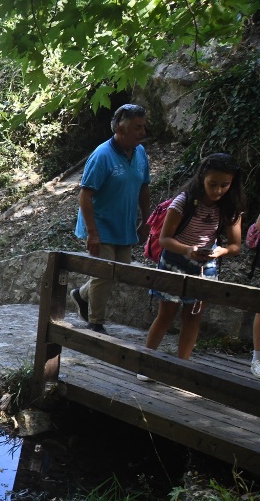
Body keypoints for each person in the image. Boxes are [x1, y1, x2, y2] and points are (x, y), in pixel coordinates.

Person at [138, 153, 244, 378]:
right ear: (202, 179)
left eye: (224, 185)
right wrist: (187, 250)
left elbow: (235, 246)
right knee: (166, 313)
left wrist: (220, 251)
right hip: (175, 258)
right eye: (212, 184)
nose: (217, 191)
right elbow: (165, 238)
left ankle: (182, 366)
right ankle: (147, 363)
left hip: (206, 265)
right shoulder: (183, 202)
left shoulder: (230, 207)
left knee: (193, 316)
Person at [70, 103, 151, 335]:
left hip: (123, 224)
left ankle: (81, 295)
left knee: (120, 270)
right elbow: (85, 196)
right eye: (137, 127)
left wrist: (147, 220)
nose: (142, 132)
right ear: (121, 129)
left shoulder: (140, 152)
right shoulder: (102, 156)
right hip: (100, 224)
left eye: (143, 127)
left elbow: (144, 187)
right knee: (103, 273)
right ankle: (96, 322)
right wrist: (93, 233)